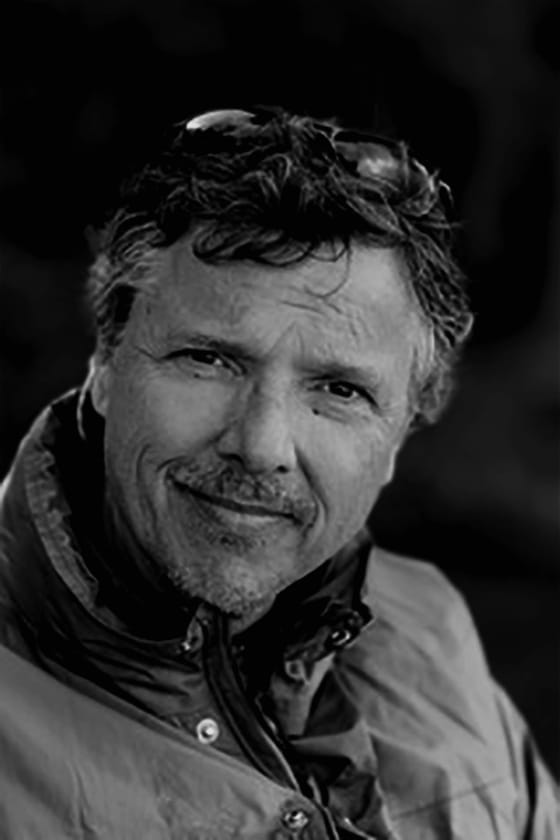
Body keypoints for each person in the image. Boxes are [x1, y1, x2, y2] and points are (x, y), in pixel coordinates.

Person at [0, 107, 557, 840]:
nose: (262, 446)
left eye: (340, 390)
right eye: (208, 359)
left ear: (401, 431)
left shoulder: (432, 628)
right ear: (105, 365)